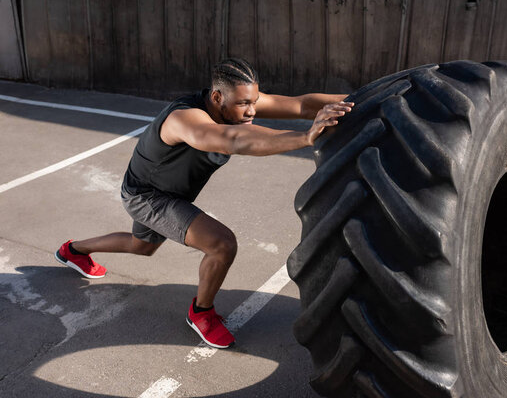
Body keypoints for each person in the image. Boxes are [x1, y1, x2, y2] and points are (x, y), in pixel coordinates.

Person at [55, 58, 353, 349]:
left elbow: (302, 104)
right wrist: (305, 137)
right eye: (243, 104)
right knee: (221, 244)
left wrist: (361, 100)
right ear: (216, 97)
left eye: (254, 101)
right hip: (147, 195)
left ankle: (74, 250)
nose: (252, 110)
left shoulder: (237, 102)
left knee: (141, 246)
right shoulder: (185, 119)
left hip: (167, 192)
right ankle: (201, 313)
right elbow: (233, 139)